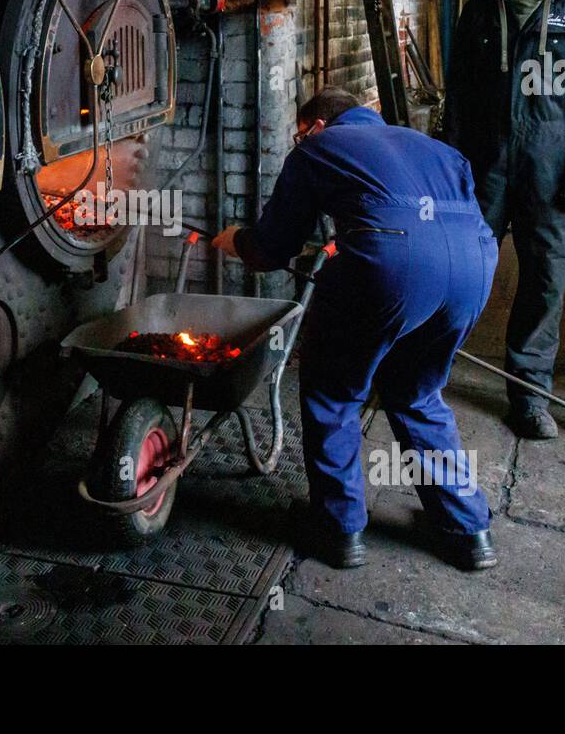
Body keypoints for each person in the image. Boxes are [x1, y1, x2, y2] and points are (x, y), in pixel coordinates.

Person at [212, 88, 499, 571]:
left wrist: (234, 240)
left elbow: (271, 248)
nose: (298, 141)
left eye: (299, 133)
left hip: (394, 263)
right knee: (418, 393)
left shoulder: (318, 148)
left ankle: (339, 529)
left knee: (333, 390)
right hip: (476, 265)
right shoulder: (431, 146)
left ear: (317, 127)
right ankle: (469, 531)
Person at [444, 0, 565, 440]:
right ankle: (428, 371)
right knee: (461, 271)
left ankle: (530, 397)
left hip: (551, 168)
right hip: (484, 168)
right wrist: (450, 168)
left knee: (544, 283)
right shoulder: (477, 12)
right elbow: (459, 99)